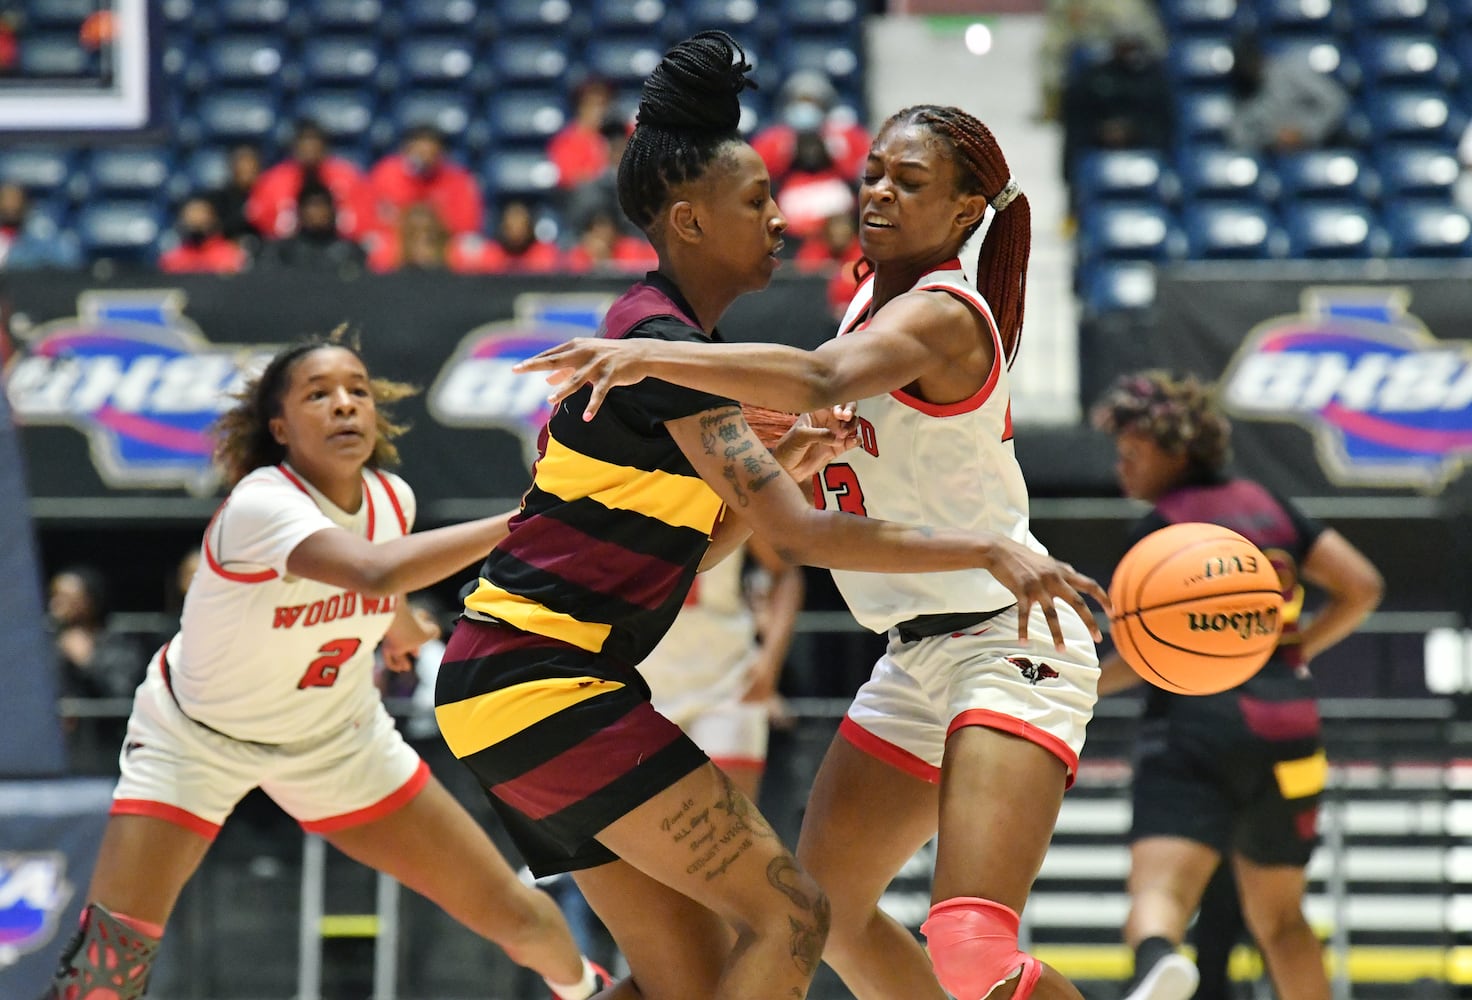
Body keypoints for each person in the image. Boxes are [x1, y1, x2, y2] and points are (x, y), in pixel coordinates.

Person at [515, 97, 1110, 1000]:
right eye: (872, 172)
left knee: (969, 945)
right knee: (827, 912)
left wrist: (650, 355)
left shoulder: (947, 312)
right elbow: (819, 435)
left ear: (962, 215)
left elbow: (821, 377)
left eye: (909, 182)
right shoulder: (873, 301)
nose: (877, 192)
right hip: (914, 654)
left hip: (1008, 635)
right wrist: (796, 454)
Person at [37, 332, 609, 1000]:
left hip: (336, 741)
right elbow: (371, 570)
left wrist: (400, 626)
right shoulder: (261, 504)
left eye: (357, 391)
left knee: (514, 913)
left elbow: (377, 580)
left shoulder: (393, 500)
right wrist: (530, 520)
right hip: (193, 744)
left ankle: (591, 990)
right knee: (108, 965)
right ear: (280, 427)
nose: (344, 405)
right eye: (319, 394)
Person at [1090, 370, 1384, 1000]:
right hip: (1293, 732)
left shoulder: (1164, 531)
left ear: (1174, 450)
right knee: (1281, 919)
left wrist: (1076, 688)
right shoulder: (1269, 503)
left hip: (1199, 727)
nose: (1122, 470)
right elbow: (1363, 586)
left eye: (1131, 454)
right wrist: (1292, 647)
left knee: (1160, 896)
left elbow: (1144, 654)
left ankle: (1160, 964)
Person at [644, 535, 803, 801]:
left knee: (730, 834)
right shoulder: (611, 499)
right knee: (644, 837)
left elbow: (786, 573)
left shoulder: (731, 497)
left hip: (727, 683)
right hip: (642, 686)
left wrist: (770, 663)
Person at [47, 565, 148, 775]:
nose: (56, 604)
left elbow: (121, 695)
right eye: (54, 595)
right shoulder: (44, 643)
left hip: (104, 754)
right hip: (56, 751)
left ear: (91, 600)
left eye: (67, 597)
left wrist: (87, 661)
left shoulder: (118, 643)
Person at [247, 119, 374, 242]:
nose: (309, 148)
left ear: (325, 146)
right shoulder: (272, 182)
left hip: (337, 253)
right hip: (284, 256)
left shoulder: (349, 178)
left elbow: (364, 225)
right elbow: (258, 226)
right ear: (294, 147)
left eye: (314, 141)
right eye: (304, 142)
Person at [1225, 33, 1349, 155]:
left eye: (1250, 60)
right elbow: (1237, 137)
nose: (1248, 68)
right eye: (1243, 64)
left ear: (1259, 56)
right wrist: (1270, 139)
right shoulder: (1241, 90)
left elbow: (1336, 101)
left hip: (1314, 149)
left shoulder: (1290, 72)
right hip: (1270, 158)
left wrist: (1305, 133)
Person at [368, 124, 484, 236]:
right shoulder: (385, 173)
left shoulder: (459, 180)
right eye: (420, 153)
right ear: (405, 150)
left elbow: (467, 226)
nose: (425, 160)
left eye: (431, 154)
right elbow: (372, 219)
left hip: (442, 244)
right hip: (394, 242)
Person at [256, 182, 368, 273]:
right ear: (300, 211)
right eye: (312, 205)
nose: (318, 212)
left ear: (333, 211)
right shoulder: (283, 251)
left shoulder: (350, 251)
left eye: (323, 205)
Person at [159, 195, 248, 274]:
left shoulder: (231, 256)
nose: (195, 220)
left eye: (201, 215)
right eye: (190, 217)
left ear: (213, 219)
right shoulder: (171, 259)